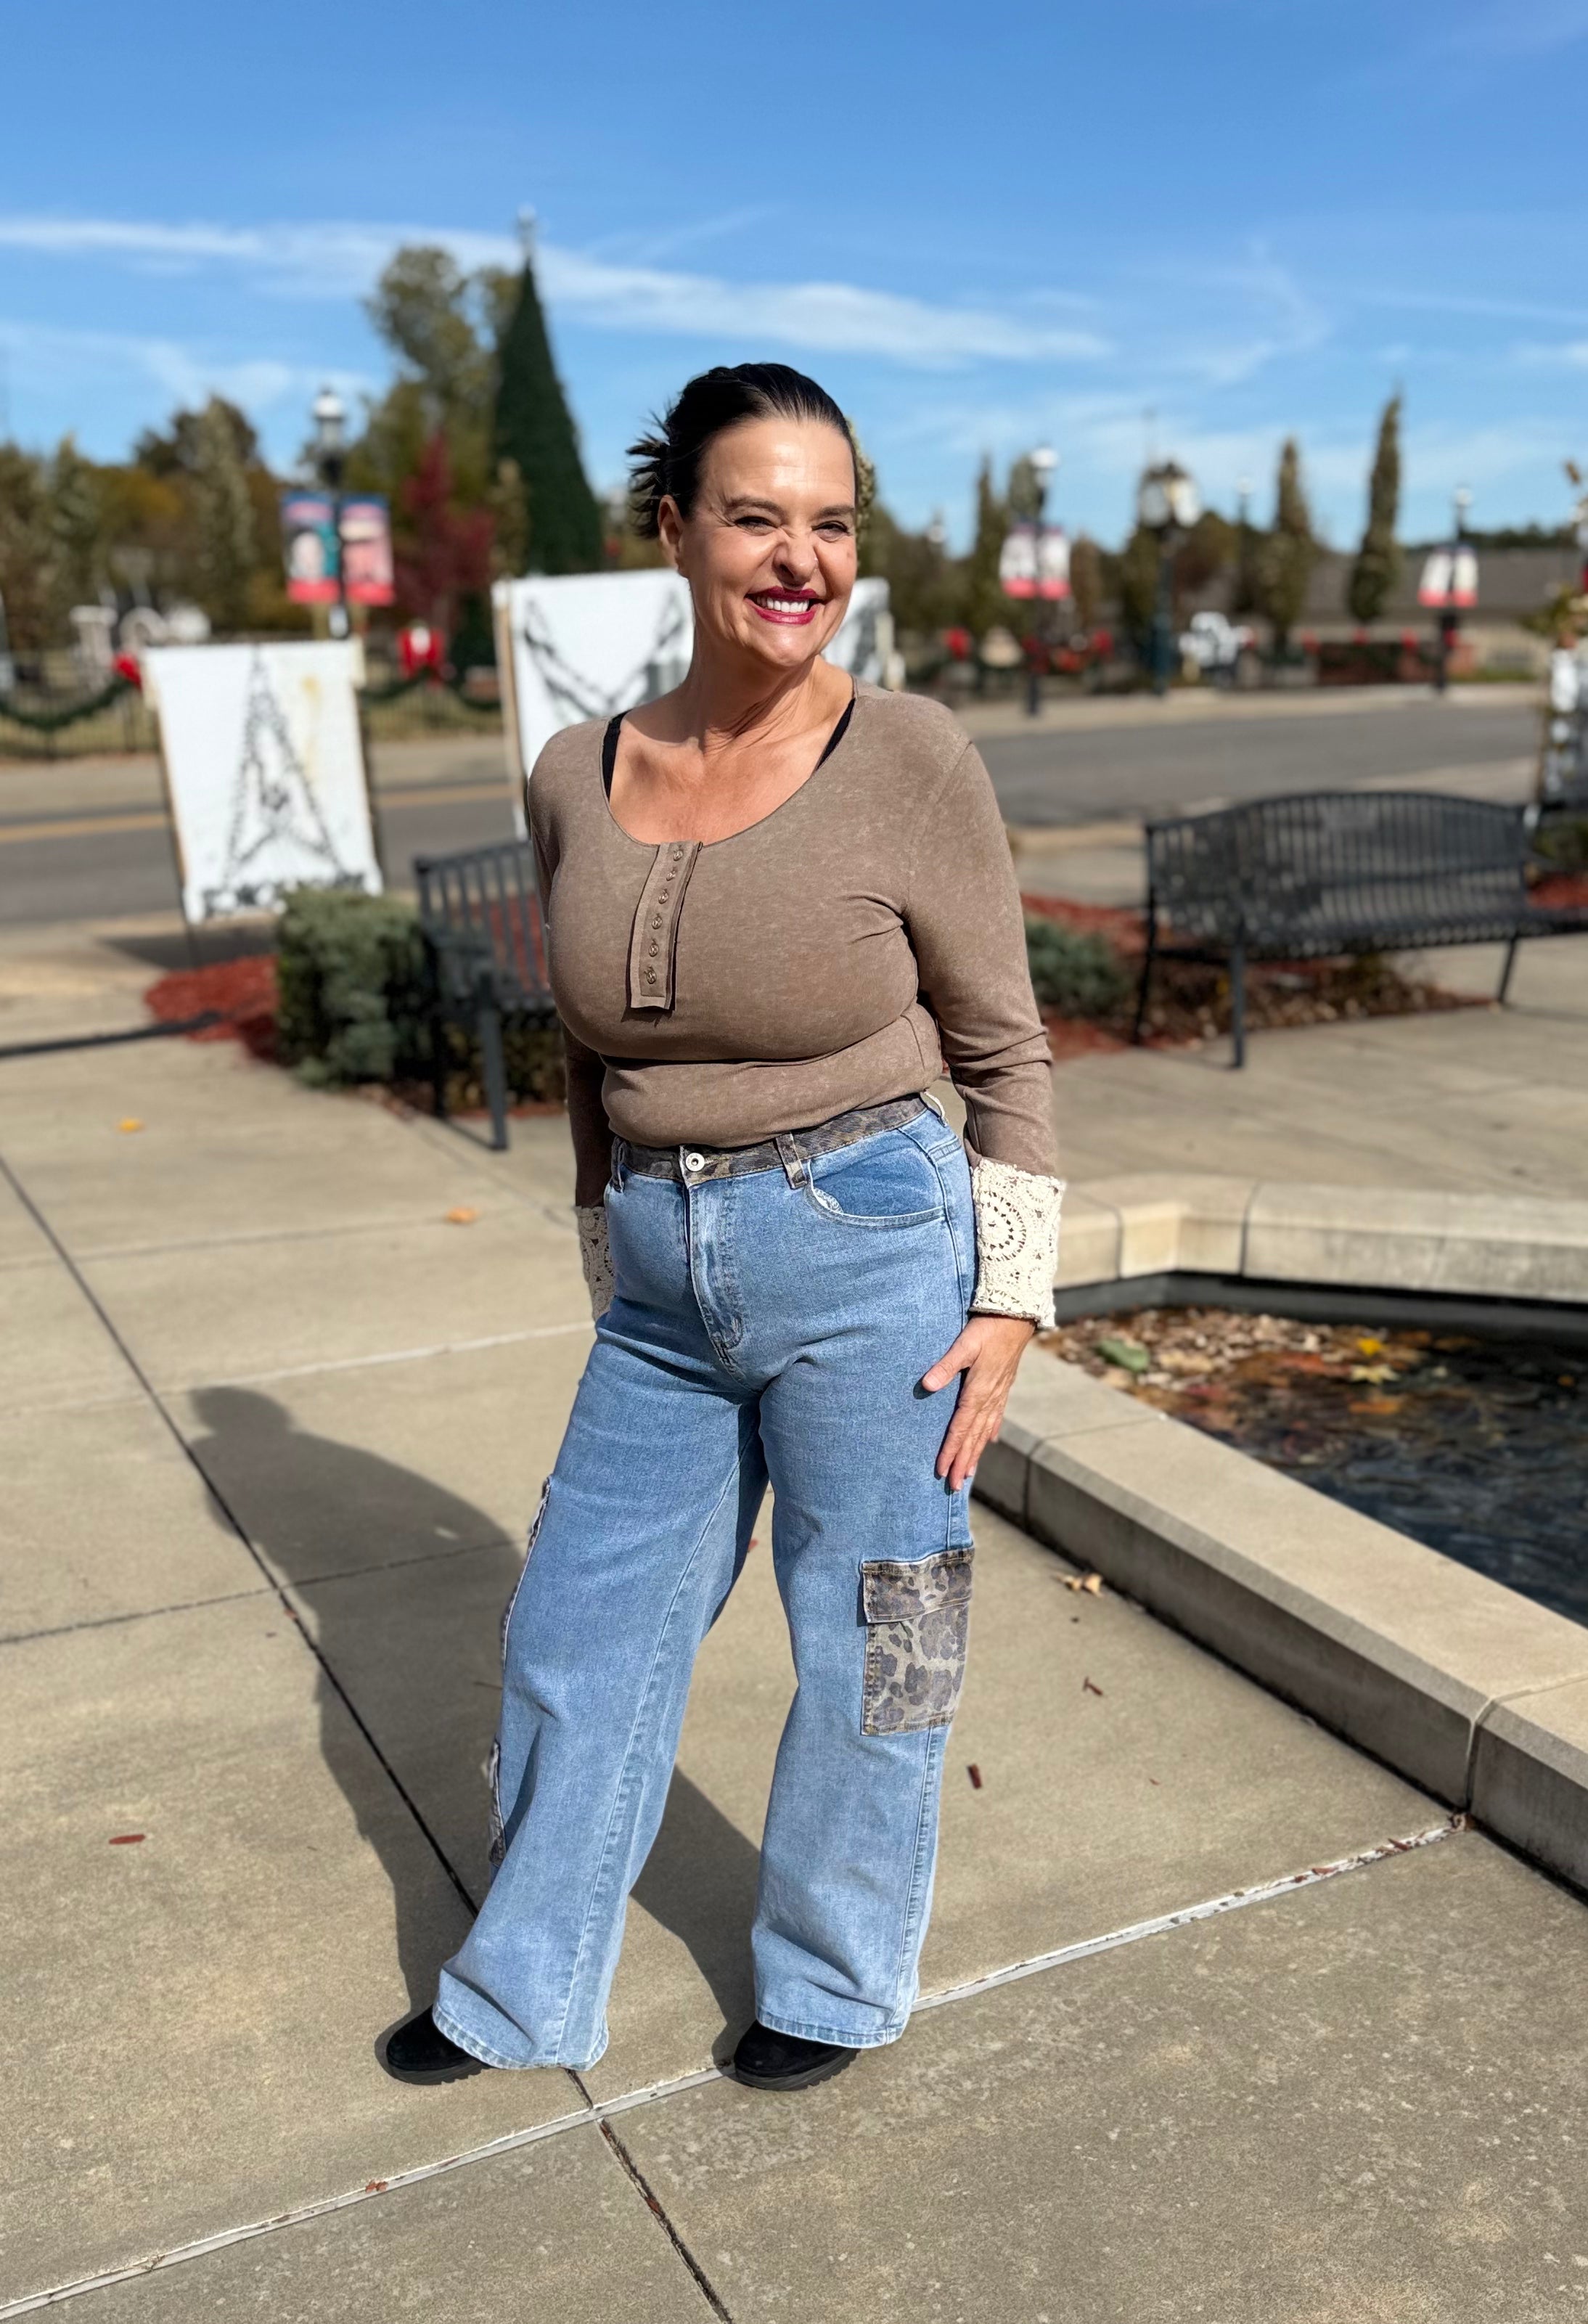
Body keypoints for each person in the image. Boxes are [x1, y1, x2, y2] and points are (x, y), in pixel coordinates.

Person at [385, 362, 1063, 2095]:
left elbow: (1001, 1044)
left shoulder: (908, 755)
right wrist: (612, 1257)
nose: (799, 557)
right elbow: (588, 1055)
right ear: (673, 526)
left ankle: (833, 1979)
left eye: (830, 522)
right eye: (758, 515)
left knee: (878, 1634)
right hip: (663, 1286)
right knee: (571, 1631)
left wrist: (1009, 1298)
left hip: (877, 1250)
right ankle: (519, 1986)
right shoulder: (572, 770)